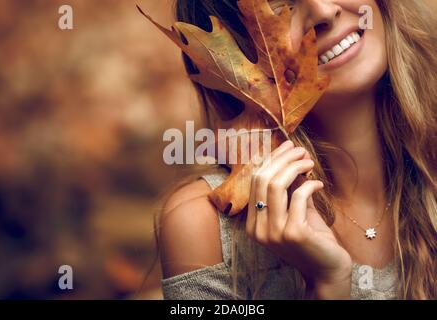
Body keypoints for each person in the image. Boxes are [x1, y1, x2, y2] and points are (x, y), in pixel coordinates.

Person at [156, 0, 437, 300]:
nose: (325, 12)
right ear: (231, 57)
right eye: (280, 6)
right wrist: (327, 287)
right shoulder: (204, 227)